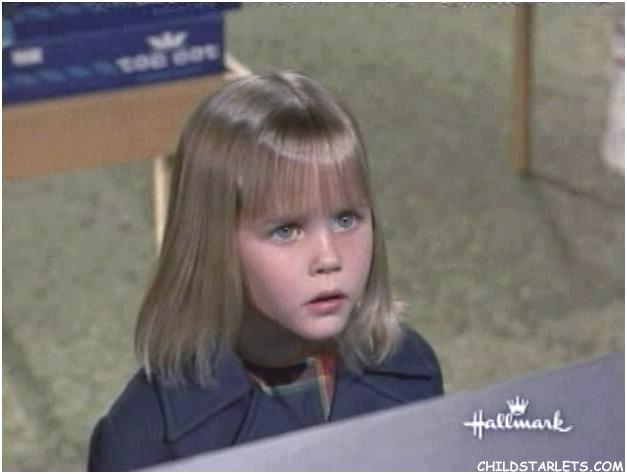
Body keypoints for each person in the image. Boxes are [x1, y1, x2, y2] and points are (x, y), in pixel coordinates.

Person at [87, 71, 443, 471]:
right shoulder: (146, 435)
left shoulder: (408, 370)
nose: (328, 258)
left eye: (346, 220)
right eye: (286, 230)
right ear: (212, 242)